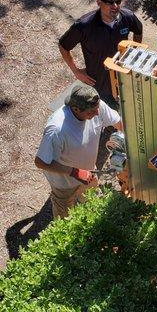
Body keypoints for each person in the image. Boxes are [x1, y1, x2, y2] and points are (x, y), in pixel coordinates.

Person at [35, 83, 121, 219]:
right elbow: (40, 162)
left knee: (92, 205)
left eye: (97, 109)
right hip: (64, 183)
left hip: (89, 172)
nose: (97, 113)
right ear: (75, 109)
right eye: (91, 112)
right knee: (63, 218)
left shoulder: (96, 106)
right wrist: (75, 172)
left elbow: (119, 123)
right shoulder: (57, 130)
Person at [59, 0, 143, 108]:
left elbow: (138, 30)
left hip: (123, 75)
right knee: (105, 112)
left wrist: (133, 53)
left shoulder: (127, 17)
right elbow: (63, 46)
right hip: (99, 82)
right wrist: (76, 71)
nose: (115, 6)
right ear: (99, 2)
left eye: (118, 1)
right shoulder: (84, 26)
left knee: (128, 106)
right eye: (109, 2)